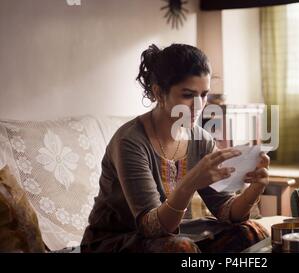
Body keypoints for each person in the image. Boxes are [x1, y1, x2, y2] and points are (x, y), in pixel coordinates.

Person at [80, 43, 269, 253]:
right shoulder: (130, 142)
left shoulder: (201, 140)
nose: (199, 106)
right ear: (159, 93)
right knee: (180, 249)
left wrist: (255, 188)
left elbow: (226, 211)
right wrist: (189, 184)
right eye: (188, 95)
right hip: (113, 242)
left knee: (250, 232)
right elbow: (151, 227)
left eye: (204, 94)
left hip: (170, 235)